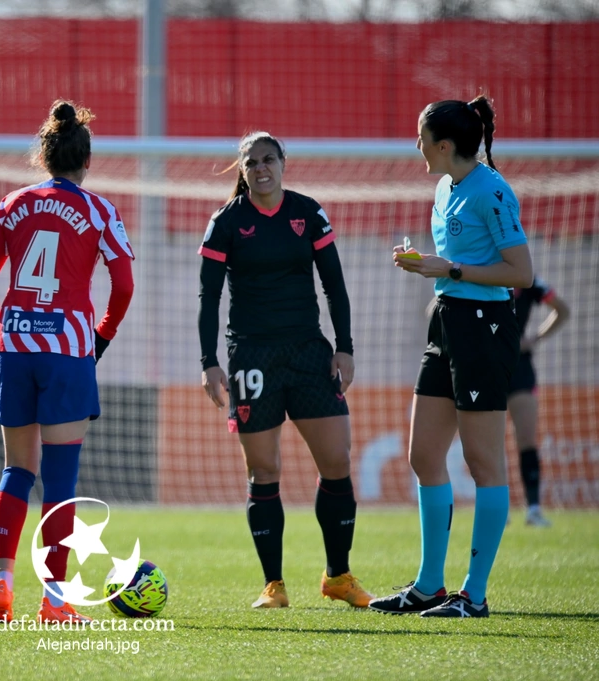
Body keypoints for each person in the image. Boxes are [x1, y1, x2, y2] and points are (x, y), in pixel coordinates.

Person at [369, 95, 533, 618]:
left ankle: (475, 595)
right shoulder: (443, 186)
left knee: (484, 462)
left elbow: (520, 274)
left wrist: (451, 269)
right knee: (423, 455)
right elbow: (453, 264)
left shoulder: (493, 190)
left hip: (484, 329)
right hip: (446, 321)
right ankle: (429, 586)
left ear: (443, 144)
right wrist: (427, 266)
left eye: (420, 137)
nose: (415, 145)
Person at [0, 100, 135, 624]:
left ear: (43, 157)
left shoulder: (12, 204)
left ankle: (1, 583)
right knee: (60, 481)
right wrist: (100, 339)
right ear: (86, 161)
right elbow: (124, 285)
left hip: (14, 348)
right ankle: (55, 601)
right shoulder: (99, 210)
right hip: (66, 352)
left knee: (16, 470)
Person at [198, 130, 373, 610]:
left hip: (309, 354)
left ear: (283, 162)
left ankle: (338, 575)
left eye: (268, 159)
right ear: (242, 169)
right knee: (264, 468)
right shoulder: (225, 223)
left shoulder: (307, 212)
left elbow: (334, 284)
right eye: (251, 162)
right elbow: (208, 298)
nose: (260, 168)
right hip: (252, 357)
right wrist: (209, 362)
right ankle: (273, 585)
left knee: (337, 459)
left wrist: (345, 347)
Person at [509, 277, 570, 527]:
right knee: (486, 443)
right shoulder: (481, 273)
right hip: (486, 369)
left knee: (527, 440)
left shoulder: (529, 282)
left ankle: (533, 509)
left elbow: (562, 311)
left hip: (520, 369)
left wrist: (535, 338)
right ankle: (496, 510)